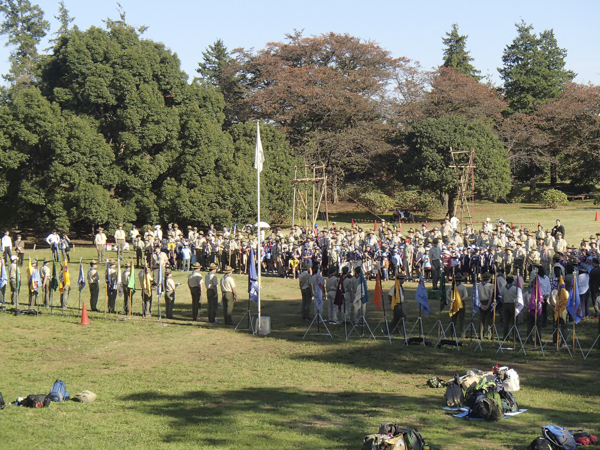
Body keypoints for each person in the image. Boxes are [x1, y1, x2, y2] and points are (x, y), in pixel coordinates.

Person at [500, 275, 517, 341]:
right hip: (512, 304)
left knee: (506, 321)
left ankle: (505, 336)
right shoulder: (515, 288)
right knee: (514, 321)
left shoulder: (503, 288)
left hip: (505, 304)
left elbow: (501, 296)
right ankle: (514, 336)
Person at [478, 272, 495, 338]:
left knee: (481, 319)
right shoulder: (490, 286)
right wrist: (488, 305)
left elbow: (477, 296)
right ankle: (489, 335)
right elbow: (491, 296)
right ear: (489, 279)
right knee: (489, 319)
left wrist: (481, 304)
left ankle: (480, 334)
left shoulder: (479, 285)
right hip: (488, 302)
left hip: (481, 302)